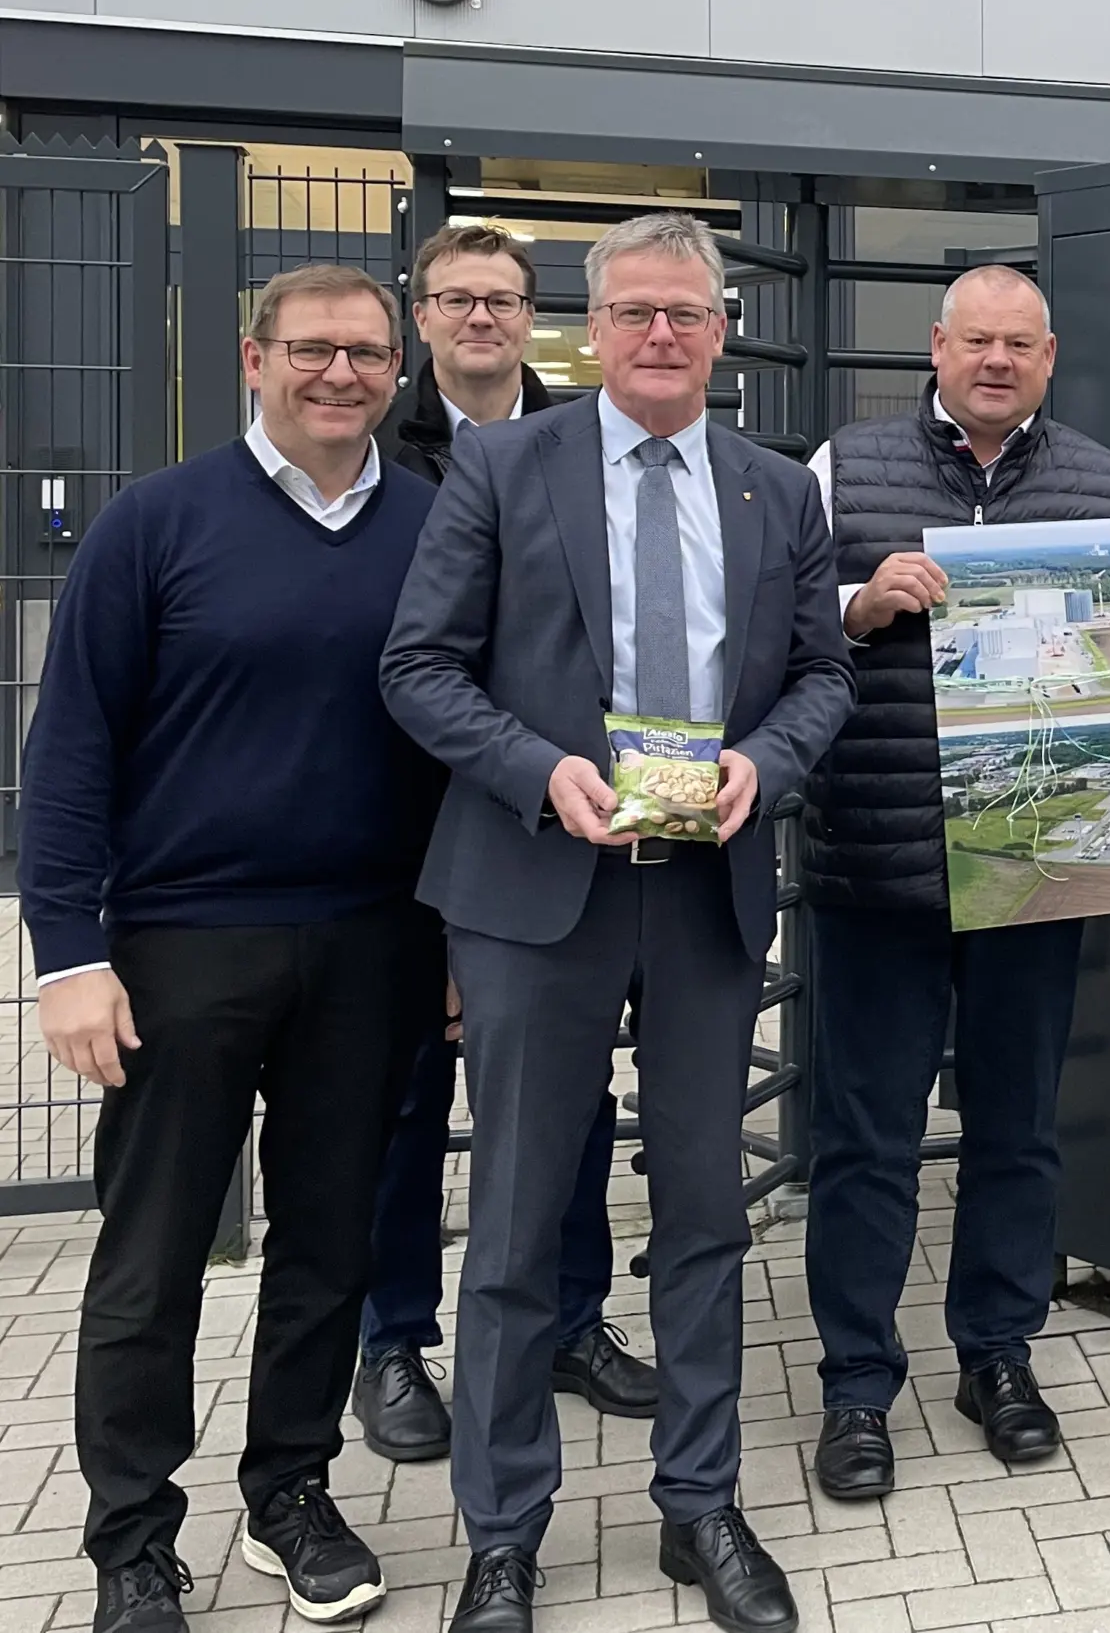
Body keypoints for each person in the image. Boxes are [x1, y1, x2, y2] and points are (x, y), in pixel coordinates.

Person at [381, 211, 853, 1633]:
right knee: (516, 1222)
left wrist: (764, 764)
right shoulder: (504, 466)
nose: (660, 334)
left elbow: (823, 675)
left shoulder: (777, 489)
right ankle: (504, 1533)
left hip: (705, 889)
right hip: (538, 884)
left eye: (685, 314)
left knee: (704, 1214)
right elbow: (419, 666)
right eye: (635, 311)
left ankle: (700, 1504)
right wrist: (542, 771)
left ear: (721, 333)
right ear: (592, 329)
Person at [25, 263, 445, 1632]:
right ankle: (132, 1542)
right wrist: (66, 950)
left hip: (374, 943)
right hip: (182, 947)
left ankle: (290, 1493)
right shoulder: (156, 522)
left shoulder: (434, 528)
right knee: (152, 1259)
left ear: (396, 371)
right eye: (313, 348)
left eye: (366, 352)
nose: (341, 373)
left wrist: (451, 942)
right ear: (253, 360)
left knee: (328, 1245)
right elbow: (71, 747)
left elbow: (452, 750)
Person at [796, 264, 1110, 1503]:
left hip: (1028, 866)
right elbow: (778, 619)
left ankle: (997, 1355)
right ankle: (855, 1384)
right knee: (866, 1139)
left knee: (1017, 1130)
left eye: (1019, 345)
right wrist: (858, 604)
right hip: (875, 862)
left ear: (1048, 359)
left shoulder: (1104, 482)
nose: (997, 361)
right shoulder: (843, 466)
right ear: (936, 348)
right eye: (976, 341)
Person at [358, 221, 657, 1466]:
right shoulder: (370, 451)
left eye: (501, 298)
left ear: (536, 317)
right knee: (404, 1101)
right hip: (411, 829)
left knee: (568, 1099)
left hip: (563, 836)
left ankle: (572, 1319)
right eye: (455, 298)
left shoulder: (590, 446)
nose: (479, 317)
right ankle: (392, 1340)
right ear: (420, 315)